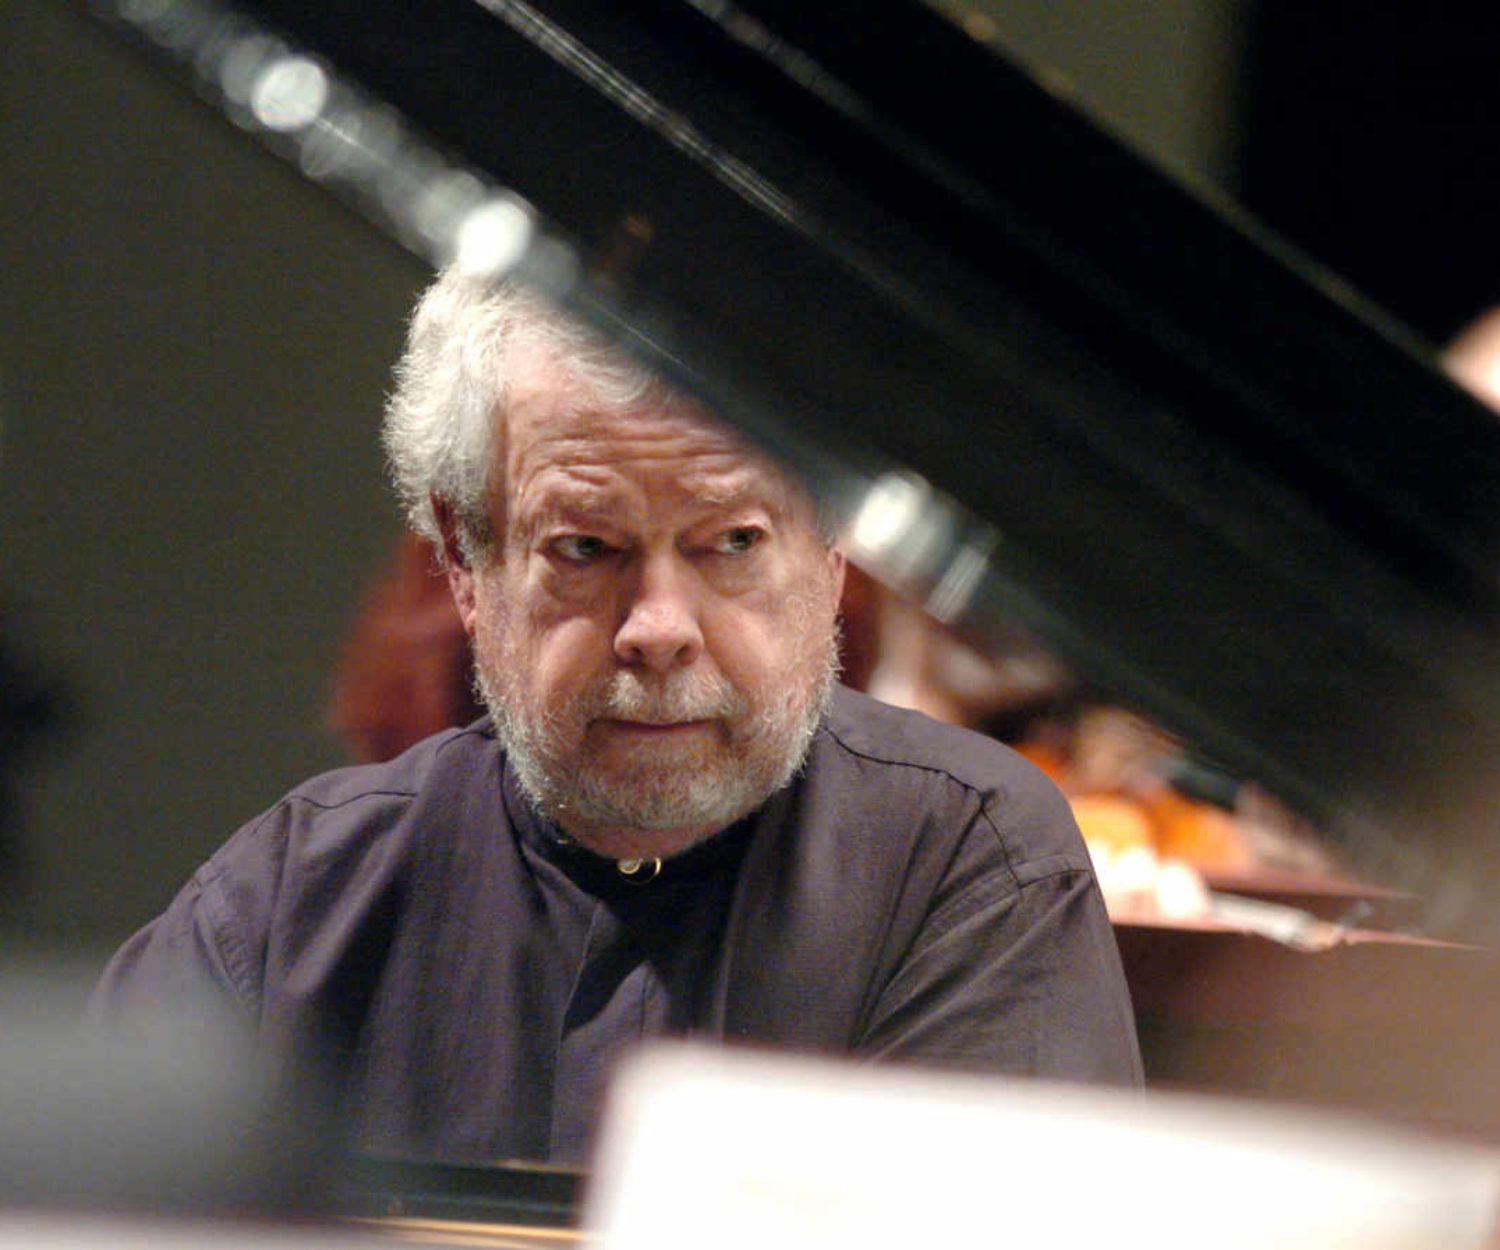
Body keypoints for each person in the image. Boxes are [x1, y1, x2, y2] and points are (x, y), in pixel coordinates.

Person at [89, 269, 1142, 1166]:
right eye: (586, 548)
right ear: (464, 559)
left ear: (832, 550)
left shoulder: (968, 863)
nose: (659, 628)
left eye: (730, 542)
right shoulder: (287, 902)